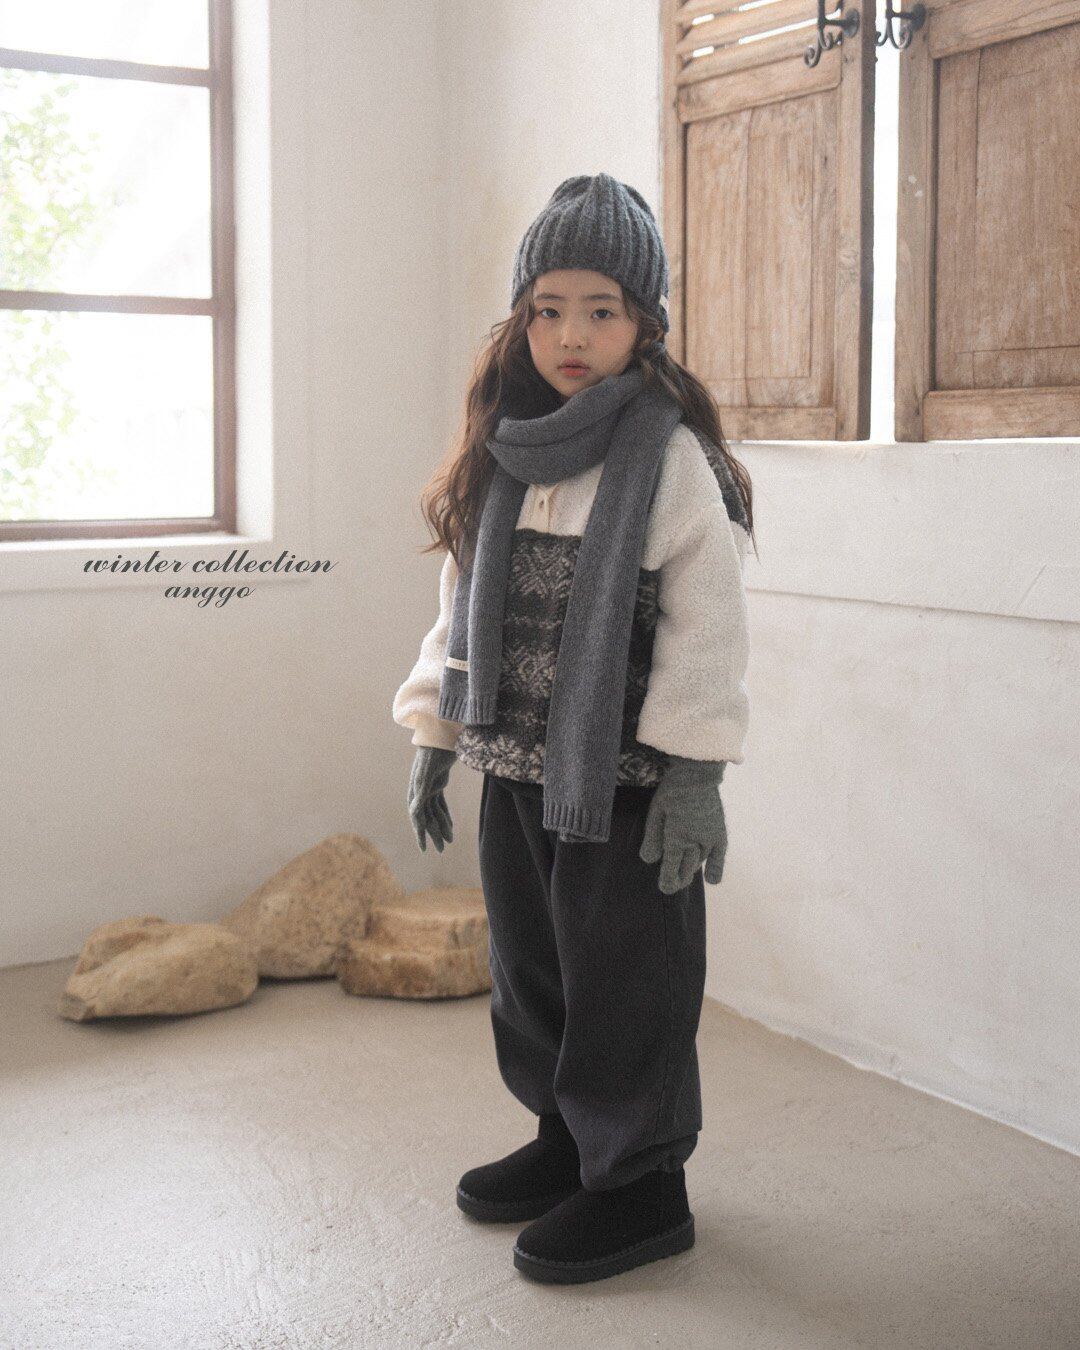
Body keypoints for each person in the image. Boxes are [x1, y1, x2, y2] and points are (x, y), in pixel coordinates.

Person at [391, 172, 754, 1285]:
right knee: (532, 967)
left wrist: (695, 774)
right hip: (513, 765)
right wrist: (433, 735)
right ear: (522, 318)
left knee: (627, 983)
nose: (571, 336)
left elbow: (708, 627)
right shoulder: (507, 450)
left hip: (624, 785)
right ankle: (568, 1140)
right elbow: (460, 607)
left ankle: (640, 1182)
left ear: (646, 324)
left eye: (601, 310)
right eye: (548, 309)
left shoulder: (667, 459)